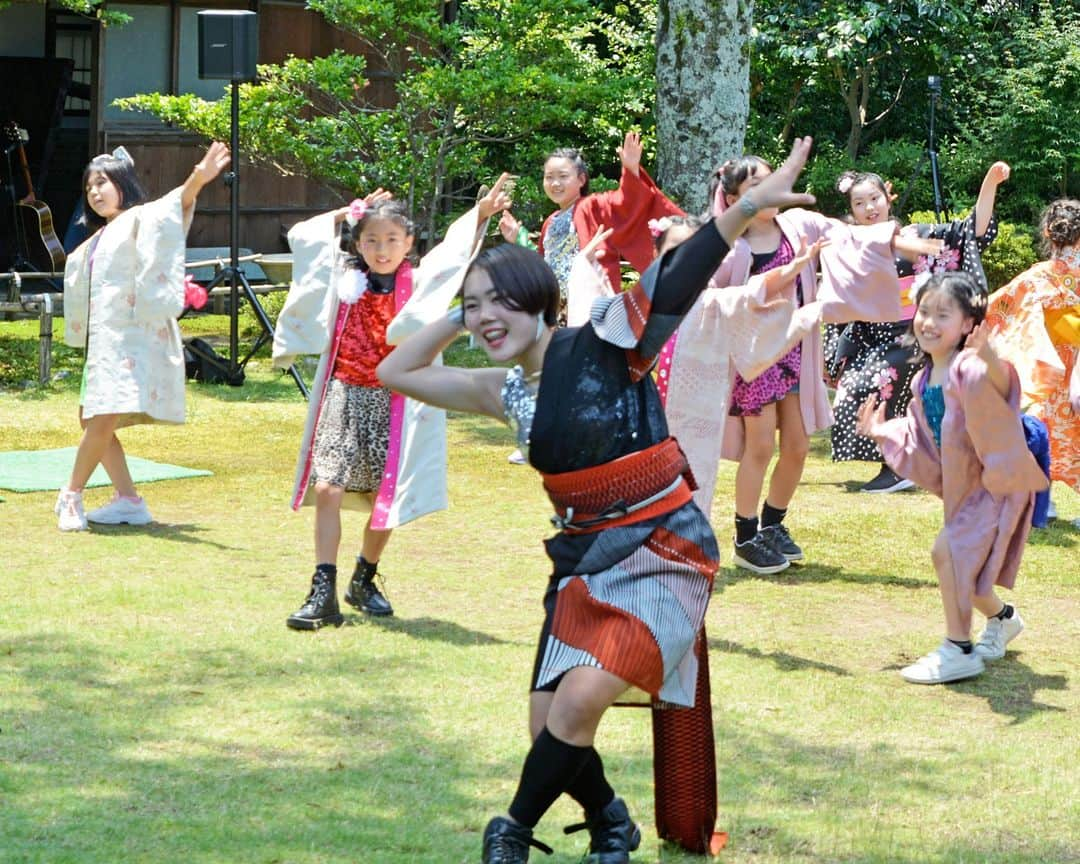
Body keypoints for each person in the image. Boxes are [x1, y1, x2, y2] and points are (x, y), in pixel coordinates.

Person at [378, 138, 818, 863]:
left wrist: (741, 212)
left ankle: (510, 832)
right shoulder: (501, 390)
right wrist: (467, 308)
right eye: (475, 306)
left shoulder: (609, 340)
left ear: (541, 300)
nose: (488, 318)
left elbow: (676, 279)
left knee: (578, 705)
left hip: (663, 551)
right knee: (545, 721)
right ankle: (613, 821)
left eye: (502, 303)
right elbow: (397, 367)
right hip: (582, 563)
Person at [272, 181, 511, 629]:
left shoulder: (418, 282)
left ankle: (364, 575)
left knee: (387, 495)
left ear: (409, 243)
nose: (381, 250)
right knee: (328, 486)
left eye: (392, 240)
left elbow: (452, 257)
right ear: (357, 243)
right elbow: (304, 237)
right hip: (343, 391)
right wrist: (346, 213)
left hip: (396, 398)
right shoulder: (342, 277)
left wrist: (480, 213)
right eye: (371, 240)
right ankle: (323, 589)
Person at [704, 155, 940, 575]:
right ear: (737, 198)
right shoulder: (730, 245)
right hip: (753, 362)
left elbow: (850, 237)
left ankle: (773, 524)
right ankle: (745, 537)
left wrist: (900, 243)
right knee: (760, 447)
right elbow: (708, 296)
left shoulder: (797, 224)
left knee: (796, 445)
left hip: (794, 353)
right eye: (757, 185)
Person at [856, 272, 1047, 684]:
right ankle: (1004, 619)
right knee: (975, 583)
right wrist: (879, 431)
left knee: (950, 554)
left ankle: (958, 648)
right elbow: (916, 436)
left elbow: (1002, 384)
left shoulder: (968, 366)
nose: (928, 321)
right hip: (966, 493)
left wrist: (990, 356)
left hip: (993, 486)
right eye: (924, 311)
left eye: (943, 314)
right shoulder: (924, 380)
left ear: (967, 325)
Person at [56, 142, 231, 531]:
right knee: (91, 420)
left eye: (103, 182)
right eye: (89, 188)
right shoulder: (101, 237)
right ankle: (129, 500)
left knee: (101, 417)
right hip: (104, 344)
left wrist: (197, 179)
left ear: (123, 184)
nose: (95, 192)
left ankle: (70, 495)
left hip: (127, 342)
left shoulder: (140, 217)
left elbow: (173, 204)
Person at [828, 163, 1009, 492]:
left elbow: (973, 230)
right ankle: (903, 462)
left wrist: (990, 182)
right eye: (859, 203)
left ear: (889, 197)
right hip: (869, 336)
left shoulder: (917, 236)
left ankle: (899, 466)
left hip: (913, 334)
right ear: (851, 209)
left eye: (874, 199)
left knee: (875, 384)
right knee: (849, 393)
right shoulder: (848, 246)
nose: (869, 208)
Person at [499, 131, 683, 323]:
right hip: (556, 309)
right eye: (549, 177)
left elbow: (626, 203)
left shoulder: (592, 207)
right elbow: (542, 266)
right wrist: (518, 237)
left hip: (590, 303)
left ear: (581, 179)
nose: (555, 183)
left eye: (563, 176)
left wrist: (630, 170)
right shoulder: (549, 222)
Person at [985, 198, 1080, 502]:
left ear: (1049, 234)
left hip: (1048, 365)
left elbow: (1000, 305)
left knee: (1043, 429)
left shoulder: (1039, 275)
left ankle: (1043, 500)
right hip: (1075, 360)